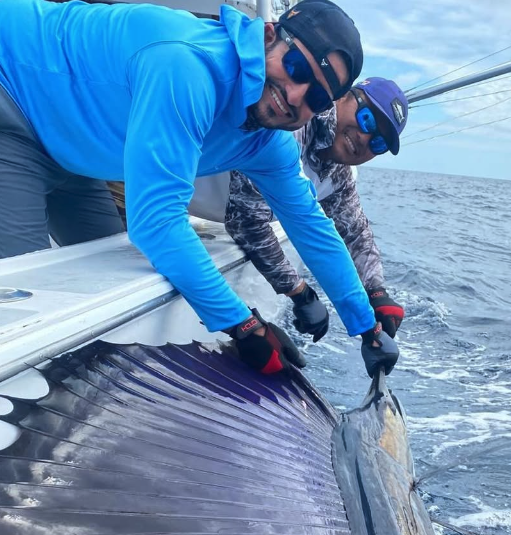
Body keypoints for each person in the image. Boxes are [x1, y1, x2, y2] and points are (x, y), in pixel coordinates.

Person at [0, 0, 398, 377]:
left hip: (72, 153)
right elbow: (156, 223)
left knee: (117, 276)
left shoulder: (267, 140)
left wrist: (367, 327)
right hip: (13, 97)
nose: (294, 95)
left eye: (314, 95)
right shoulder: (187, 65)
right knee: (28, 306)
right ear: (267, 38)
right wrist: (244, 326)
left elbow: (309, 223)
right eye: (295, 67)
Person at [190, 76, 407, 344]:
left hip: (186, 204)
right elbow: (245, 221)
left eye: (378, 143)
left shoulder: (337, 172)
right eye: (367, 120)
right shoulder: (293, 126)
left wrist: (377, 292)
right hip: (146, 183)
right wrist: (299, 292)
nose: (365, 138)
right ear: (343, 96)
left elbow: (355, 232)